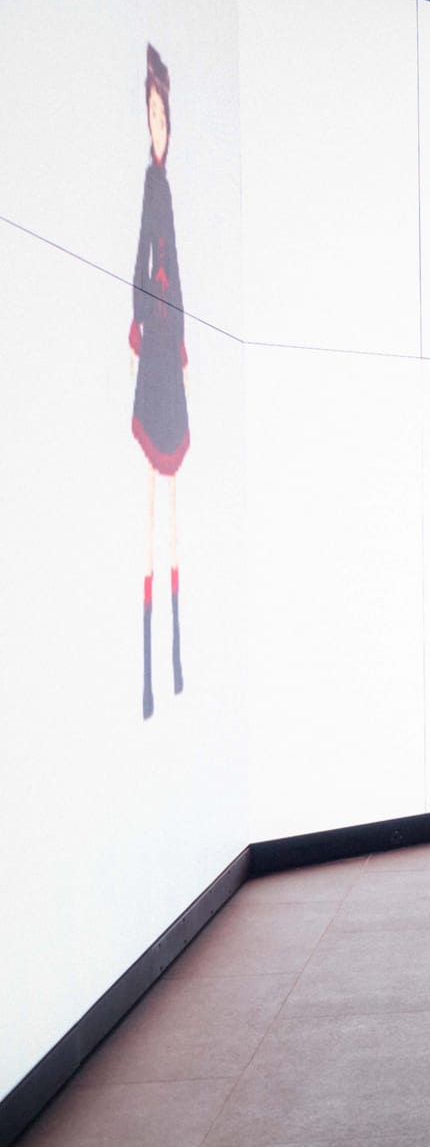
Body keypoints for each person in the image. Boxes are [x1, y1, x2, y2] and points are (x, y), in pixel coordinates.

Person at [131, 45, 190, 721]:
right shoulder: (152, 184)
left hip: (170, 342)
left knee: (173, 501)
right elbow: (142, 258)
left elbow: (177, 263)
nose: (157, 124)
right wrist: (137, 327)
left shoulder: (166, 183)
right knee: (153, 496)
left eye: (161, 114)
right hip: (156, 340)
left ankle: (174, 657)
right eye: (150, 113)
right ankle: (152, 668)